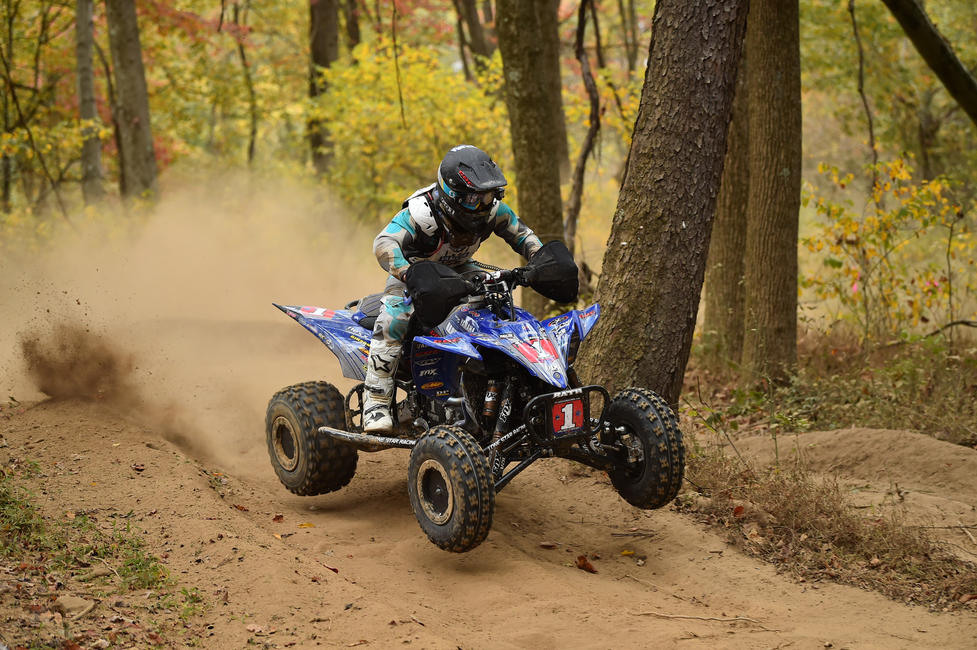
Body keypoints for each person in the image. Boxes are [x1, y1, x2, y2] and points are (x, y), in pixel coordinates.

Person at [363, 144, 543, 433]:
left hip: (461, 269)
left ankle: (493, 388)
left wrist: (541, 259)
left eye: (488, 196)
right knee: (394, 319)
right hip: (414, 272)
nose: (482, 205)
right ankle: (375, 402)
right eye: (474, 199)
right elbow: (383, 243)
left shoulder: (492, 211)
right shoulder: (422, 213)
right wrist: (408, 272)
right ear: (451, 195)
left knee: (499, 300)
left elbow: (523, 236)